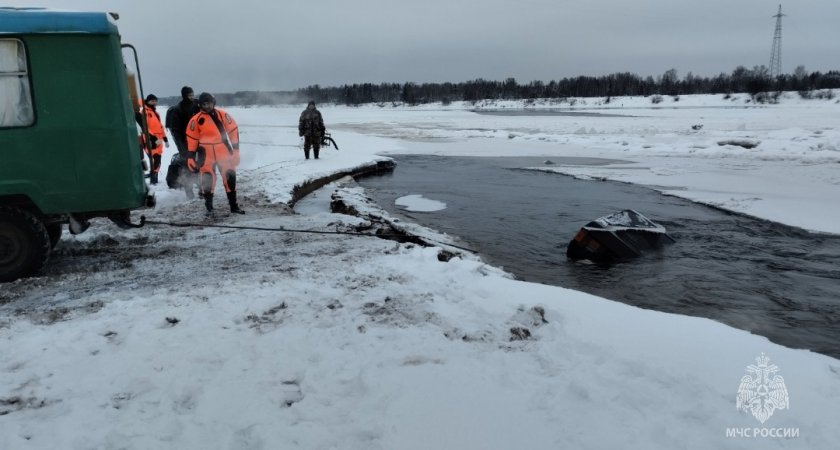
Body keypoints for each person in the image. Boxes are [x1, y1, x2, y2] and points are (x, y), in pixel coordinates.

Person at [185, 92, 244, 216]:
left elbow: (233, 132)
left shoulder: (223, 115)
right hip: (205, 153)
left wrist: (236, 151)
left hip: (223, 150)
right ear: (200, 105)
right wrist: (190, 157)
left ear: (214, 103)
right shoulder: (195, 120)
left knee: (230, 178)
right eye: (204, 104)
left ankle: (234, 206)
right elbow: (192, 139)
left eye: (209, 104)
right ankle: (209, 207)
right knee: (207, 179)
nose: (207, 106)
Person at [165, 86, 200, 197]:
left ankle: (202, 187)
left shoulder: (196, 105)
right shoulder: (178, 109)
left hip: (197, 141)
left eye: (192, 95)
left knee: (199, 165)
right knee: (187, 167)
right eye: (189, 95)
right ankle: (189, 191)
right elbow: (175, 131)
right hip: (184, 142)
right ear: (184, 95)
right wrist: (181, 148)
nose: (191, 97)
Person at [137, 94, 168, 184]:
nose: (154, 102)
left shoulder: (156, 113)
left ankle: (154, 180)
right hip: (150, 139)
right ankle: (152, 179)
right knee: (156, 159)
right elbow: (145, 126)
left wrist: (165, 138)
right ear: (148, 101)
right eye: (152, 101)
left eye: (155, 101)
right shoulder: (144, 111)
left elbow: (160, 126)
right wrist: (152, 137)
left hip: (159, 139)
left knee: (158, 161)